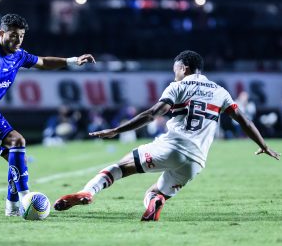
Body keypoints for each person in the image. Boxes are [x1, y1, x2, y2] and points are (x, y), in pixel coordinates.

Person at [54, 50, 280, 221]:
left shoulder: (177, 86)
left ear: (185, 68)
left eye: (176, 69)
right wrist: (264, 145)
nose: (175, 73)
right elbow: (244, 120)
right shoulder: (220, 91)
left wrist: (117, 130)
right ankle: (156, 201)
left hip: (171, 147)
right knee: (155, 192)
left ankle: (88, 192)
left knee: (118, 168)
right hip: (197, 161)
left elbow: (153, 114)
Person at [0, 13, 95, 216]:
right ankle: (26, 197)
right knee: (18, 141)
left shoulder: (19, 55)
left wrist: (73, 61)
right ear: (2, 33)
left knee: (17, 159)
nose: (18, 40)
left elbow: (43, 62)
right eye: (14, 35)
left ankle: (12, 207)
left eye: (21, 36)